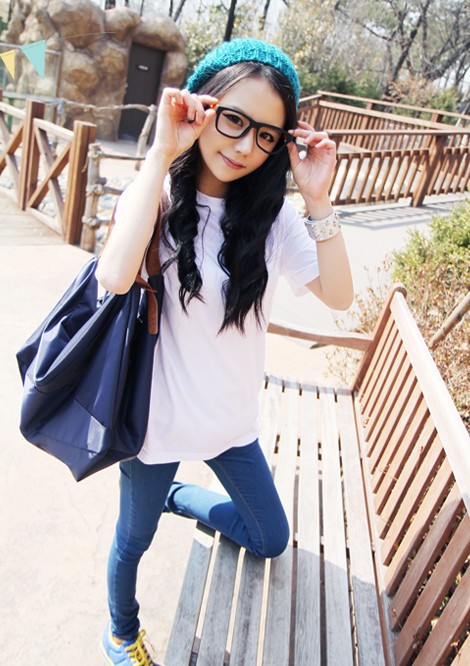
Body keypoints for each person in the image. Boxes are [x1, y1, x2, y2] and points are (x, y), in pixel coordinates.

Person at [96, 38, 353, 665]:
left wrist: (318, 200)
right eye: (233, 119)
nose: (243, 146)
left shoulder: (273, 220)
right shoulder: (157, 196)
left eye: (266, 135)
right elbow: (114, 276)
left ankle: (178, 497)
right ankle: (121, 632)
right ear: (201, 106)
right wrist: (161, 151)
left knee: (270, 538)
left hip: (232, 427)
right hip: (157, 428)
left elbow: (341, 297)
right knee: (133, 542)